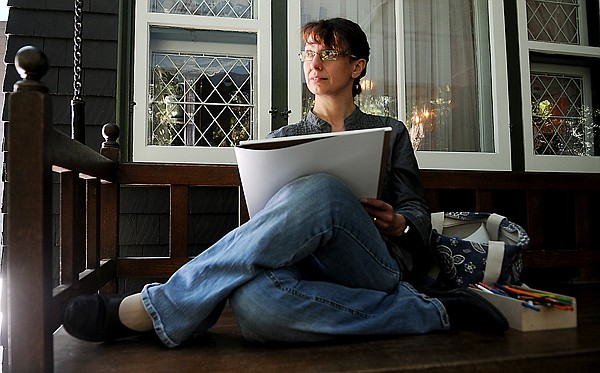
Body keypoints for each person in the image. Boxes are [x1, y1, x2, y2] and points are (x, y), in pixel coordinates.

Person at [62, 18, 507, 347]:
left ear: (357, 66)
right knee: (257, 310)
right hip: (306, 269)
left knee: (324, 189)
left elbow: (416, 215)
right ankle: (431, 311)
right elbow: (263, 225)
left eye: (328, 53)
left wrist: (400, 224)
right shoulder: (282, 140)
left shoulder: (389, 131)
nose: (315, 63)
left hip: (374, 263)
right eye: (308, 54)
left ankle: (160, 306)